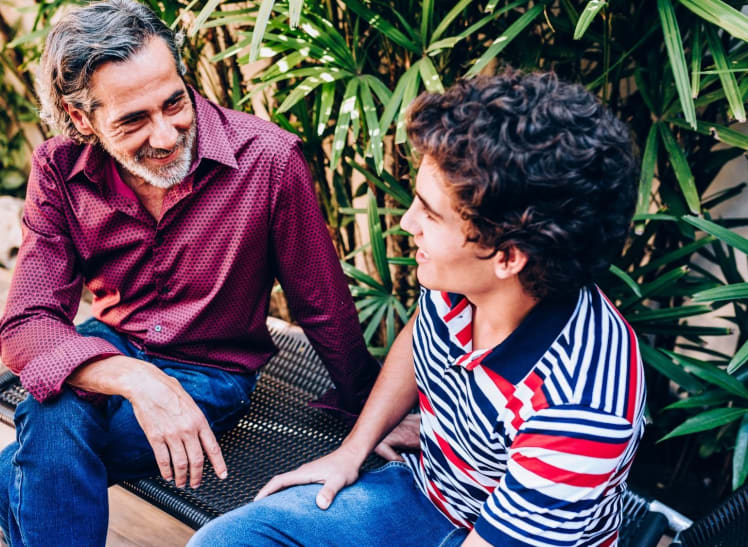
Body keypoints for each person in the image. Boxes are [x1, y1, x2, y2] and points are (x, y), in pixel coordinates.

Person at [189, 71, 647, 547]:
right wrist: (352, 451)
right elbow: (418, 336)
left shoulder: (582, 407)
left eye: (431, 213)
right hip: (428, 493)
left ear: (509, 257)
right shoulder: (462, 282)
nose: (408, 224)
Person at [0, 1, 380, 544]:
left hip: (212, 370)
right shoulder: (57, 168)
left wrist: (372, 413)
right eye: (133, 120)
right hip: (111, 344)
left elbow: (323, 304)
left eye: (174, 102)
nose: (168, 135)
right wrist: (140, 381)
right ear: (82, 119)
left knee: (13, 474)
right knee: (48, 425)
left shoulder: (269, 160)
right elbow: (25, 323)